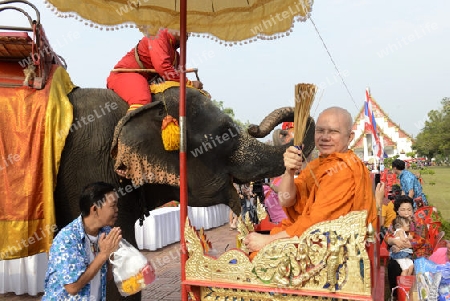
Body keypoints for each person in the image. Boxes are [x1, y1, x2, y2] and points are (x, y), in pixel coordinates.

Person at [243, 107, 377, 253]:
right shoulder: (316, 166)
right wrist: (289, 171)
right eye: (320, 131)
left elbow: (317, 225)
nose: (325, 137)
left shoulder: (344, 169)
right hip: (309, 238)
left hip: (331, 251)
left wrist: (268, 241)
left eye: (333, 132)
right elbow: (286, 200)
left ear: (349, 137)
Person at [43, 182, 122, 301]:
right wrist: (104, 254)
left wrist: (111, 254)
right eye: (113, 205)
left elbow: (107, 277)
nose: (117, 210)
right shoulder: (67, 239)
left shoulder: (105, 232)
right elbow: (73, 287)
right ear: (94, 209)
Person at [107, 28, 203, 112]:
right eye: (185, 31)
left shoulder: (176, 55)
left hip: (149, 82)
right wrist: (190, 83)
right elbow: (163, 68)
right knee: (142, 100)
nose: (187, 35)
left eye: (189, 33)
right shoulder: (158, 35)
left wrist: (190, 86)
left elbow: (176, 77)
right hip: (124, 75)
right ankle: (127, 132)